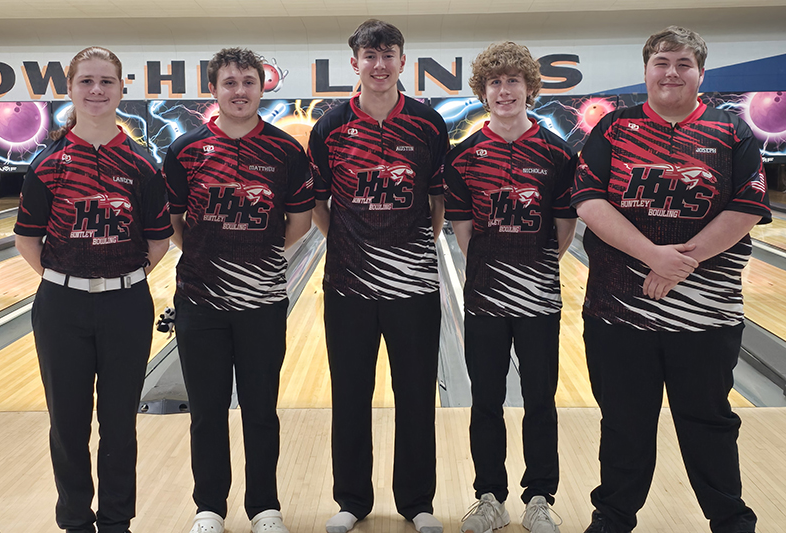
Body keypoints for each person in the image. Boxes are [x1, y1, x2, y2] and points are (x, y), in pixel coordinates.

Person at [571, 26, 770, 533]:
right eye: (662, 62)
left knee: (709, 423)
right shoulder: (613, 128)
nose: (672, 72)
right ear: (646, 70)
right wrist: (652, 256)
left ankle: (730, 519)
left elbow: (747, 207)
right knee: (623, 424)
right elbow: (589, 201)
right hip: (618, 308)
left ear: (700, 73)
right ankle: (614, 517)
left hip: (707, 311)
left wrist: (682, 263)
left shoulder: (733, 132)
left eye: (684, 63)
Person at [13, 46, 172, 533]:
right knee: (68, 423)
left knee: (120, 423)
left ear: (122, 89)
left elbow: (158, 241)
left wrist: (116, 276)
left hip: (126, 303)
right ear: (71, 90)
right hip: (62, 306)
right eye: (86, 81)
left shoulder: (143, 164)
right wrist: (72, 279)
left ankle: (116, 521)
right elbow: (26, 240)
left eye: (106, 81)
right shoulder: (48, 163)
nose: (97, 90)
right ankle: (76, 521)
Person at [163, 47, 314, 533]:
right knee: (206, 411)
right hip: (200, 303)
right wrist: (214, 262)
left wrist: (256, 261)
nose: (240, 91)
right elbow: (176, 223)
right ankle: (209, 507)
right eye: (230, 83)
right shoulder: (185, 150)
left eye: (248, 82)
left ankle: (264, 507)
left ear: (262, 87)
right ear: (214, 89)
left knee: (259, 409)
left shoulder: (286, 151)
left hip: (263, 302)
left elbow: (299, 223)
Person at [308, 19, 449, 533]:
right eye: (370, 55)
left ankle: (417, 502)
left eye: (388, 54)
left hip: (414, 285)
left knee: (415, 391)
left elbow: (436, 200)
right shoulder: (330, 126)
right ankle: (351, 499)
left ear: (402, 62)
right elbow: (318, 202)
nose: (380, 64)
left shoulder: (429, 124)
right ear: (356, 63)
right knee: (350, 391)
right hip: (348, 284)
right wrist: (350, 246)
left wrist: (413, 251)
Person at [444, 41, 576, 533]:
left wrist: (529, 272)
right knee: (486, 400)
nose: (504, 90)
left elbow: (564, 229)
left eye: (513, 81)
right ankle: (489, 496)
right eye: (495, 83)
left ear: (529, 88)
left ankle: (540, 496)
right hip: (484, 297)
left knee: (541, 398)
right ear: (483, 92)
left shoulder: (558, 154)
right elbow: (464, 235)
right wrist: (496, 273)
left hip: (539, 297)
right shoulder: (464, 157)